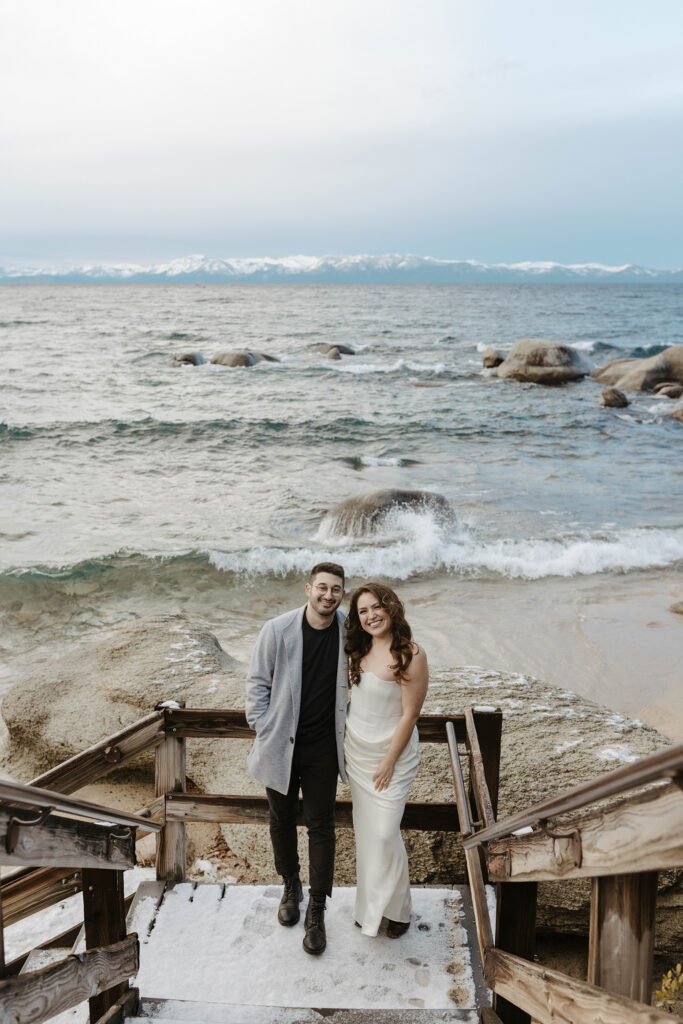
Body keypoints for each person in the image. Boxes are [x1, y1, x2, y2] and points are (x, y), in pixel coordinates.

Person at [245, 562, 347, 956]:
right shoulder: (277, 629)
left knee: (322, 826)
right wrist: (264, 726)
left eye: (336, 589)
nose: (328, 595)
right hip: (280, 745)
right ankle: (291, 886)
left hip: (323, 747)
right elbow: (256, 682)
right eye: (321, 587)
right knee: (281, 819)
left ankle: (317, 909)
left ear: (342, 594)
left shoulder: (347, 631)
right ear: (308, 589)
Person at [343, 582, 428, 938]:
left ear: (390, 607)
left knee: (385, 833)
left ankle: (399, 910)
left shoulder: (411, 654)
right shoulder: (355, 649)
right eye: (363, 611)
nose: (371, 615)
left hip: (391, 757)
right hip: (357, 753)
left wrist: (389, 761)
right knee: (367, 835)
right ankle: (372, 910)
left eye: (376, 607)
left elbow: (410, 715)